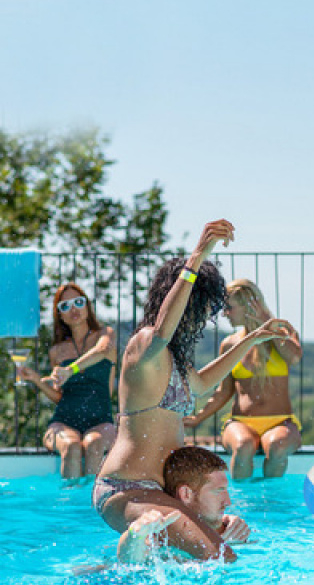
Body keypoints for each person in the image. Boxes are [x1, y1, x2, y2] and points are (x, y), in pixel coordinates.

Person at [93, 219, 290, 563]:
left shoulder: (175, 363)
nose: (203, 316)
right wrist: (198, 256)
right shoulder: (146, 345)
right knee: (221, 558)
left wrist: (253, 339)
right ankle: (131, 552)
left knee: (225, 543)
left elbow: (203, 384)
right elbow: (163, 329)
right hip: (128, 487)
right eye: (202, 305)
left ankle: (108, 565)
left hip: (164, 491)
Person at [185, 279, 302, 479]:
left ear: (248, 307)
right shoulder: (230, 344)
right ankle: (241, 504)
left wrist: (267, 321)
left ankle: (272, 503)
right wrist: (198, 418)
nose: (225, 314)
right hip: (240, 422)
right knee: (243, 446)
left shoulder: (282, 336)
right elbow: (224, 391)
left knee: (276, 446)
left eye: (229, 308)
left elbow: (294, 357)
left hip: (281, 423)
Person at [18, 283, 116, 481]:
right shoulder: (57, 351)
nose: (73, 309)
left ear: (87, 307)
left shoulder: (105, 335)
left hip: (101, 421)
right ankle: (70, 508)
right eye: (65, 306)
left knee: (93, 445)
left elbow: (102, 351)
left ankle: (91, 508)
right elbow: (59, 396)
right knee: (71, 447)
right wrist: (36, 379)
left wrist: (71, 370)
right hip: (64, 421)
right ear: (60, 315)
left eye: (78, 302)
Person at [117, 447, 251, 563]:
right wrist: (135, 537)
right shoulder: (162, 530)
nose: (228, 501)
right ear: (186, 494)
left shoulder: (228, 528)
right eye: (218, 491)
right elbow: (131, 560)